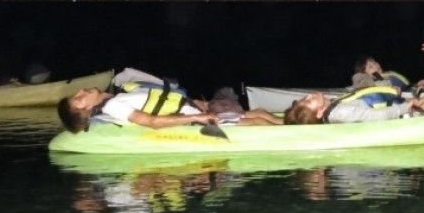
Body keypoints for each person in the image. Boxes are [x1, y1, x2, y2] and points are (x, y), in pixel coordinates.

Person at [57, 68, 281, 134]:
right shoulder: (114, 105)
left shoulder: (117, 96)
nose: (81, 91)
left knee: (260, 112)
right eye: (78, 99)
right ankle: (294, 135)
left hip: (190, 111)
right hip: (189, 121)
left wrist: (197, 106)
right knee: (255, 123)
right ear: (85, 108)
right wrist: (199, 116)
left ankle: (292, 124)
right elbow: (151, 121)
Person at [283, 77, 424, 124]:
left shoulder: (335, 105)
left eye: (307, 97)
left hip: (406, 108)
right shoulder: (339, 113)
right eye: (309, 100)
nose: (311, 95)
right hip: (407, 117)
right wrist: (407, 105)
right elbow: (379, 115)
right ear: (319, 112)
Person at [351, 55, 424, 92]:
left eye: (374, 62)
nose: (376, 65)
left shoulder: (385, 76)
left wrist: (417, 85)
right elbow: (360, 83)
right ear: (364, 73)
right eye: (370, 67)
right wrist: (389, 89)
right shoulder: (369, 80)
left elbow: (405, 87)